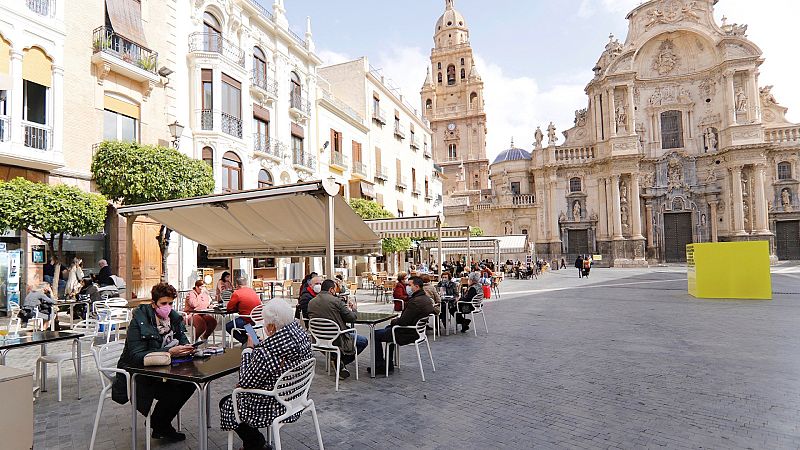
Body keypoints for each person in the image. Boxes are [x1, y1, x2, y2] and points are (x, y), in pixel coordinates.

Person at [219, 299, 313, 450]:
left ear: (271, 326)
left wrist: (249, 350)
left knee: (227, 402)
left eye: (265, 323)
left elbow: (245, 381)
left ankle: (256, 443)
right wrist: (266, 343)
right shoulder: (302, 337)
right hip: (297, 398)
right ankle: (253, 444)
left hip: (275, 405)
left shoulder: (268, 352)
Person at [111, 283, 195, 442]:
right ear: (154, 303)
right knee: (174, 392)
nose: (168, 307)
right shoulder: (139, 322)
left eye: (170, 303)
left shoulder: (174, 319)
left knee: (189, 384)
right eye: (164, 303)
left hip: (164, 370)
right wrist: (168, 352)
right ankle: (160, 425)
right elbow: (136, 355)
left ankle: (160, 425)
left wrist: (188, 348)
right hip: (138, 375)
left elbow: (183, 340)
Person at [307, 279, 367, 379]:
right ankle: (339, 362)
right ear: (331, 290)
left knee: (351, 335)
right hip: (336, 338)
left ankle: (337, 361)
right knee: (363, 341)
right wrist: (354, 309)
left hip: (318, 338)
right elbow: (352, 318)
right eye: (335, 289)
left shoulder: (311, 302)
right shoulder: (336, 301)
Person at [373, 276, 434, 374]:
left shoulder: (415, 302)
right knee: (387, 330)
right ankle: (388, 363)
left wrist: (394, 321)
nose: (407, 287)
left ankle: (379, 365)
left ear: (417, 287)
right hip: (419, 332)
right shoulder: (426, 299)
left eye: (409, 285)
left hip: (407, 333)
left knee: (375, 334)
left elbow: (403, 321)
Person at [225, 277, 263, 345]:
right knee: (242, 323)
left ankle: (245, 340)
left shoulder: (237, 293)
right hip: (257, 318)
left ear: (236, 285)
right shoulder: (252, 291)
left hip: (247, 318)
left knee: (228, 326)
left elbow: (229, 308)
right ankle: (254, 340)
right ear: (246, 283)